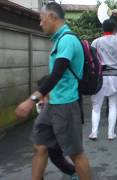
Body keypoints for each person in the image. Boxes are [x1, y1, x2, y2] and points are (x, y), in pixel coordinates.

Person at [15, 2, 91, 180]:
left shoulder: (67, 40)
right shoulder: (59, 39)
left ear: (52, 17)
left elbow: (56, 74)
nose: (40, 24)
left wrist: (31, 100)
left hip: (66, 105)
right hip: (53, 104)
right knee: (40, 146)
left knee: (75, 154)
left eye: (42, 20)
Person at [88, 9, 117, 141]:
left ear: (102, 28)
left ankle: (94, 132)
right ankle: (111, 133)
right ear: (114, 29)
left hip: (100, 77)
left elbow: (91, 61)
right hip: (116, 76)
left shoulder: (96, 42)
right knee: (113, 106)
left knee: (96, 106)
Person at [36, 76, 78, 180]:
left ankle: (74, 172)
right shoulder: (41, 101)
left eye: (46, 91)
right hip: (46, 134)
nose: (44, 94)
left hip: (58, 133)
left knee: (56, 158)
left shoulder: (60, 100)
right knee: (41, 155)